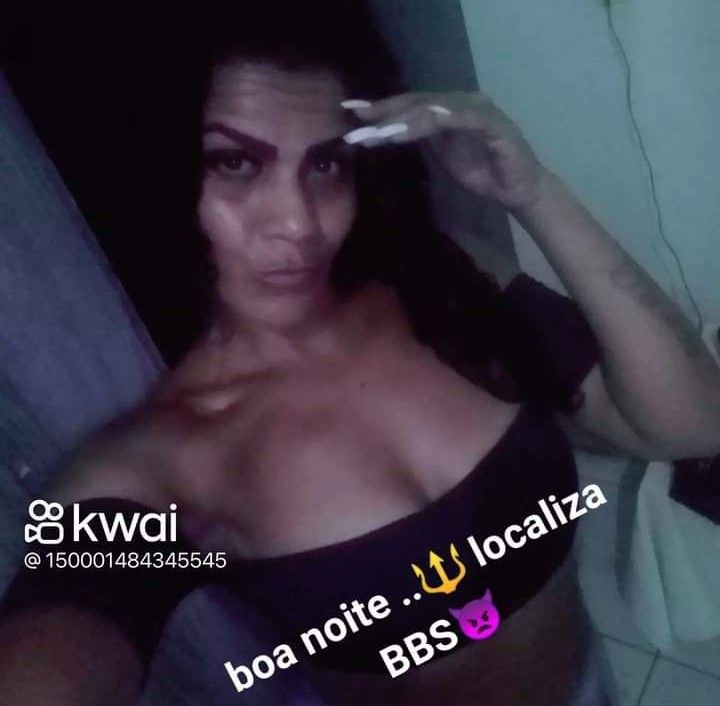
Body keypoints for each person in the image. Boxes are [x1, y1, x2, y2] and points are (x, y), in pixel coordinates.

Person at [1, 2, 719, 705]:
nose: (298, 222)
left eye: (326, 164)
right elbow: (62, 641)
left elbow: (690, 424)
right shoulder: (153, 462)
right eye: (235, 163)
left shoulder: (434, 282)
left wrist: (533, 193)